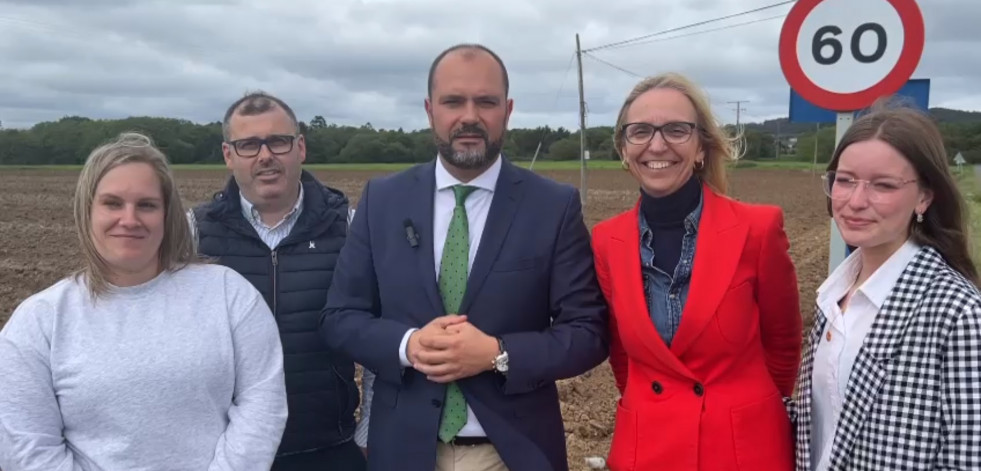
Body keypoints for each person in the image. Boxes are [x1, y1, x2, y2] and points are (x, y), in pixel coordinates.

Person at [319, 43, 609, 471]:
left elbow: (587, 332)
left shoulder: (553, 206)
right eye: (453, 101)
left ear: (507, 110)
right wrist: (409, 345)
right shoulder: (382, 200)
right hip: (405, 452)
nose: (469, 116)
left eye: (486, 102)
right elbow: (340, 317)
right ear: (429, 109)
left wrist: (497, 353)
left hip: (510, 452)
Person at [0, 132, 288, 470]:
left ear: (167, 215)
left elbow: (262, 405)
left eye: (146, 205)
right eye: (112, 203)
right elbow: (27, 446)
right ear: (87, 210)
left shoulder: (229, 295)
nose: (130, 219)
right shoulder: (39, 321)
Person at [591, 72, 802, 471]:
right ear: (624, 147)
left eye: (676, 129)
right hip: (646, 449)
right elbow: (622, 354)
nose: (657, 145)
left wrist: (742, 415)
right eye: (640, 132)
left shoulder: (757, 229)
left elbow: (784, 345)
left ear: (702, 147)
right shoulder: (606, 241)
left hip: (741, 450)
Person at [792, 102, 981, 470]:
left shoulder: (957, 312)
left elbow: (969, 458)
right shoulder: (834, 295)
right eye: (844, 180)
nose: (856, 201)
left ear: (924, 196)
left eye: (883, 185)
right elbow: (825, 425)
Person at [189, 91, 368, 470]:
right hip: (225, 455)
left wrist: (368, 433)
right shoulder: (193, 236)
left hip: (327, 450)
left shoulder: (351, 229)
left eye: (278, 141)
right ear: (228, 155)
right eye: (249, 145)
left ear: (300, 147)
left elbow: (376, 339)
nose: (265, 155)